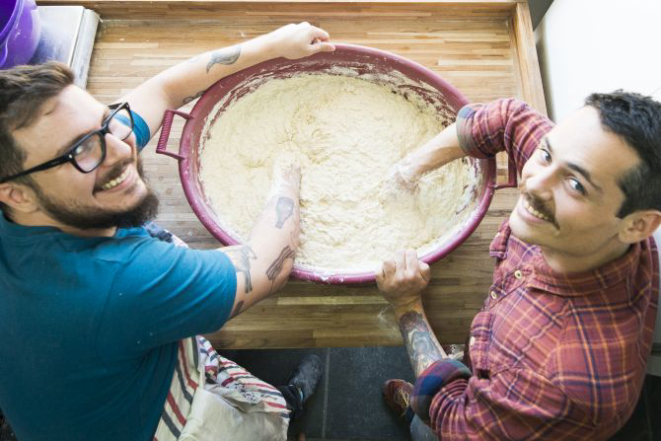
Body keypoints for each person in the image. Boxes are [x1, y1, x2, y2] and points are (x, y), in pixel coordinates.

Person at [0, 22, 334, 441]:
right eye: (80, 148)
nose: (121, 151)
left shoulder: (50, 182)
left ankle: (281, 402)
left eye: (106, 122)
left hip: (82, 383)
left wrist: (274, 45)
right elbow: (267, 266)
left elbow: (162, 90)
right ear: (15, 194)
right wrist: (287, 174)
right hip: (145, 424)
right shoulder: (117, 282)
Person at [377, 92, 661, 440]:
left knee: (427, 426)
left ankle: (416, 413)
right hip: (504, 385)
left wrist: (407, 305)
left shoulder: (564, 382)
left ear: (638, 225)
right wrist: (408, 170)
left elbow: (456, 423)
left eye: (575, 185)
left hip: (481, 425)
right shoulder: (601, 219)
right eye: (546, 154)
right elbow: (508, 117)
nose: (534, 183)